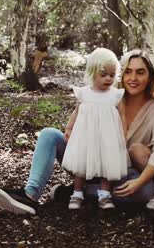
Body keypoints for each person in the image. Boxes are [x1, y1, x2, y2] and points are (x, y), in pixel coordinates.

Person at [0, 49, 154, 215]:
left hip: (117, 171)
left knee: (145, 192)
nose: (133, 78)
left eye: (140, 72)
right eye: (128, 71)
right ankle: (30, 194)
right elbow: (79, 117)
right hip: (86, 158)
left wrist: (139, 181)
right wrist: (71, 132)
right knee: (49, 134)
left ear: (150, 76)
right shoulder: (103, 94)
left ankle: (72, 192)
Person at [61, 48, 128, 210]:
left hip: (108, 138)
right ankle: (77, 193)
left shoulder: (115, 95)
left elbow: (122, 115)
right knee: (81, 165)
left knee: (108, 165)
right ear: (92, 73)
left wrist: (123, 135)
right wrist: (69, 127)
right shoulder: (84, 93)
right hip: (86, 137)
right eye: (103, 74)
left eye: (112, 75)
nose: (108, 79)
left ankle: (104, 195)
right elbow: (76, 112)